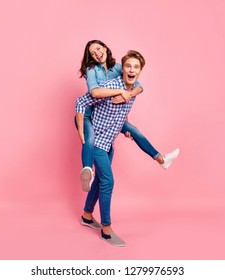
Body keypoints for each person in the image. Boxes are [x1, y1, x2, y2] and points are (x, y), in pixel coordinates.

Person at [76, 50, 164, 246]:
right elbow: (82, 101)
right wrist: (82, 131)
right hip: (97, 142)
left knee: (100, 181)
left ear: (140, 71)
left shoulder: (133, 90)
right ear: (121, 68)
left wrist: (124, 128)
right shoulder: (111, 85)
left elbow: (121, 113)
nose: (131, 70)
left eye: (136, 67)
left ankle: (87, 215)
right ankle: (106, 230)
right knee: (108, 182)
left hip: (109, 143)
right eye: (128, 66)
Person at [76, 40, 179, 192]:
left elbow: (138, 85)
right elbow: (95, 92)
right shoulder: (92, 70)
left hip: (109, 116)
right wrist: (120, 92)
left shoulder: (118, 67)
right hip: (89, 115)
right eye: (92, 53)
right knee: (89, 139)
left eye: (98, 48)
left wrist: (128, 96)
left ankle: (161, 159)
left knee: (134, 130)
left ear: (105, 47)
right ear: (90, 57)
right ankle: (87, 171)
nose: (97, 53)